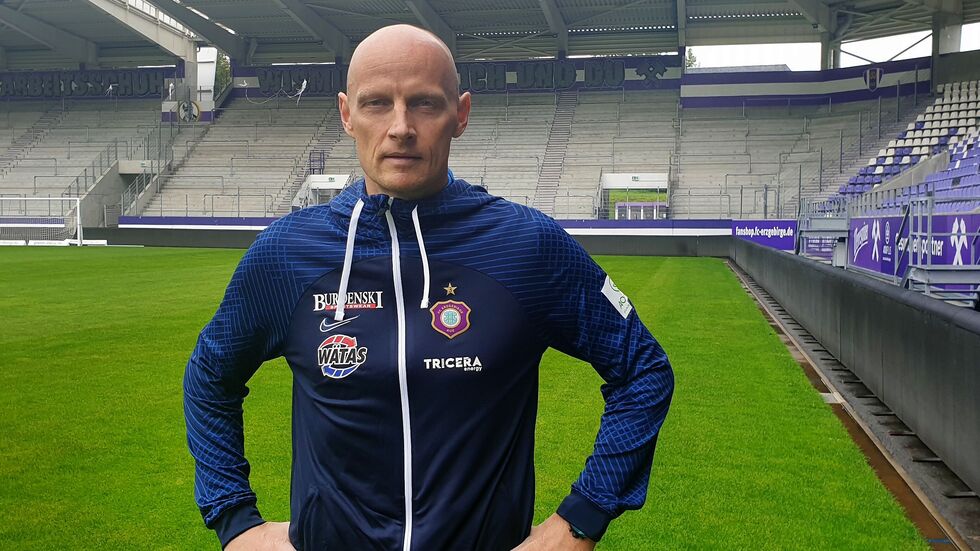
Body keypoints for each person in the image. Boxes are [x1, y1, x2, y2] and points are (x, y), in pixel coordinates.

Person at [184, 24, 674, 551]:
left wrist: (579, 522)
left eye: (424, 103)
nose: (400, 127)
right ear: (347, 115)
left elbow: (642, 370)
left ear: (460, 114)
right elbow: (210, 375)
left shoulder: (525, 245)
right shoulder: (289, 253)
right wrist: (235, 520)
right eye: (377, 103)